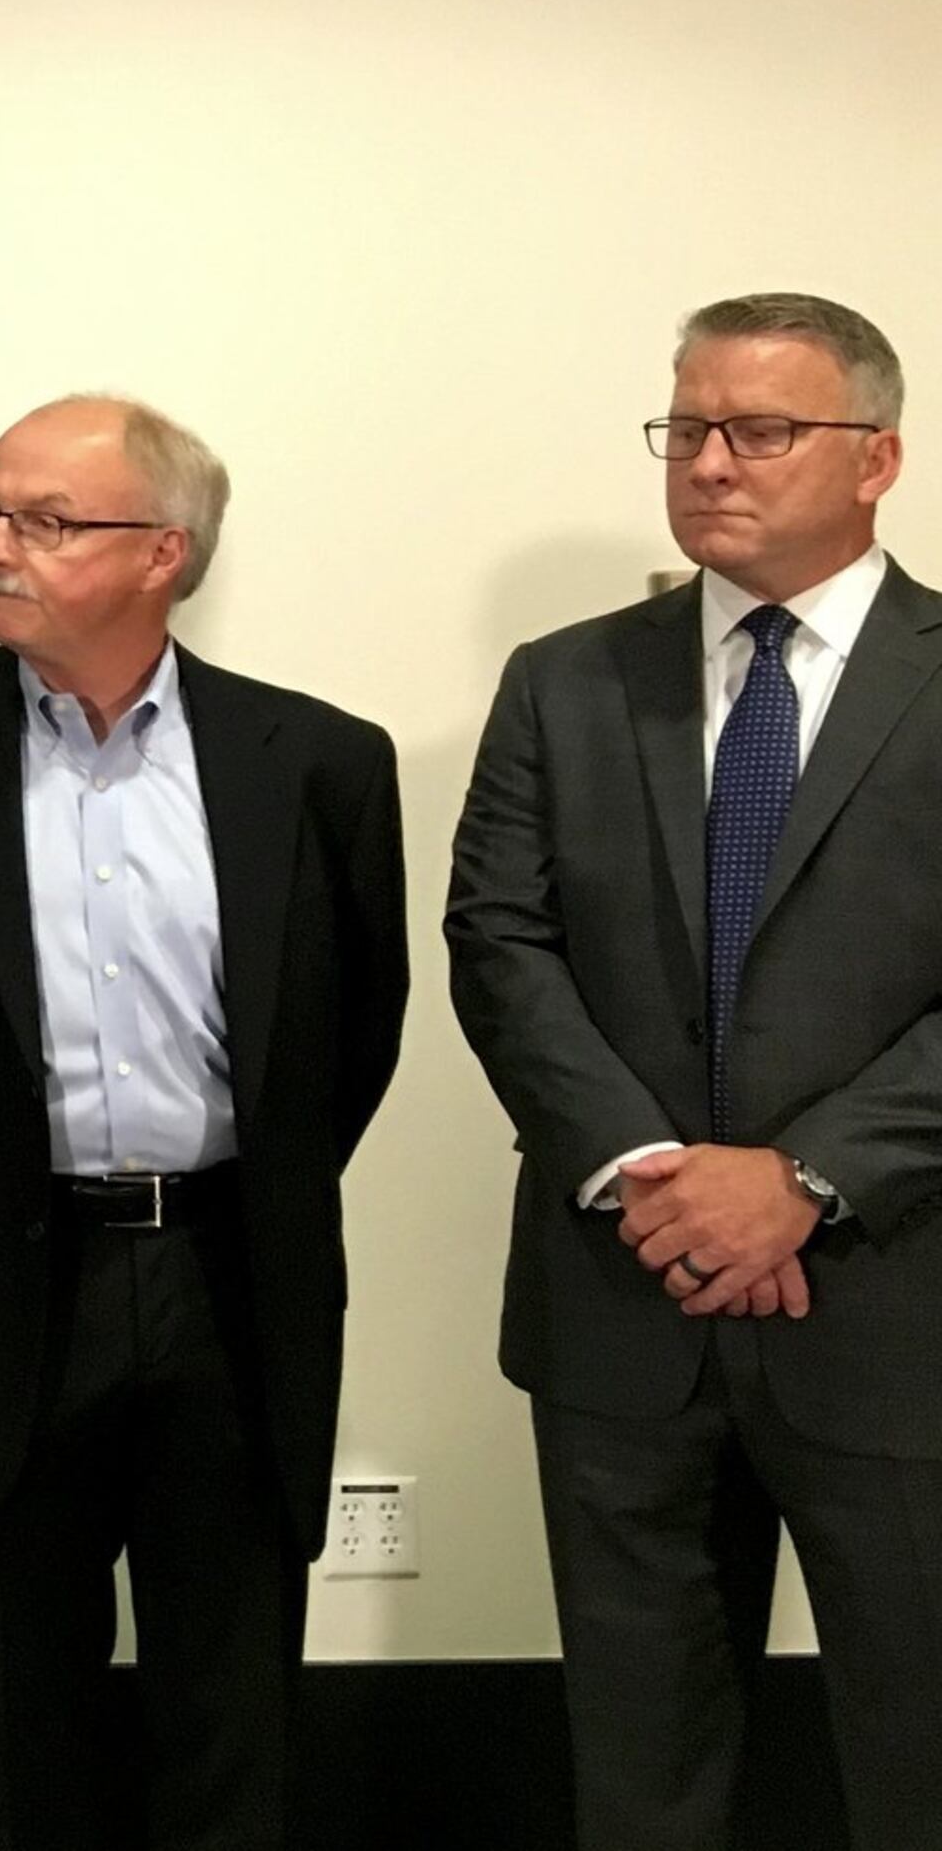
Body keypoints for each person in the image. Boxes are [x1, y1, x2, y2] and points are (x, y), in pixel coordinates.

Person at [0, 396, 405, 1849]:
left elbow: (347, 1036)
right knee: (22, 1704)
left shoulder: (315, 759)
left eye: (45, 521)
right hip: (8, 1282)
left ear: (165, 552)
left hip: (229, 1279)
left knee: (233, 1695)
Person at [446, 293, 942, 1851]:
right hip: (622, 1304)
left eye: (760, 430)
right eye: (687, 427)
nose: (710, 461)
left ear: (879, 459)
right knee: (643, 1769)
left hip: (896, 1304)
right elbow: (497, 943)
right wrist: (653, 1178)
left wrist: (799, 1181)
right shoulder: (567, 679)